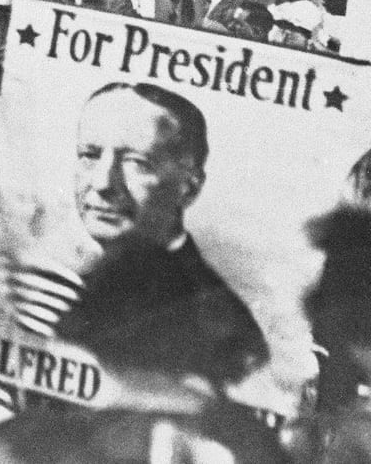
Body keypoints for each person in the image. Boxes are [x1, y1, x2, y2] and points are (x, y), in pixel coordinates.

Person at [53, 82, 268, 380]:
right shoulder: (77, 283)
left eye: (137, 163)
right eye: (89, 154)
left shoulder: (220, 325)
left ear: (188, 187)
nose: (103, 183)